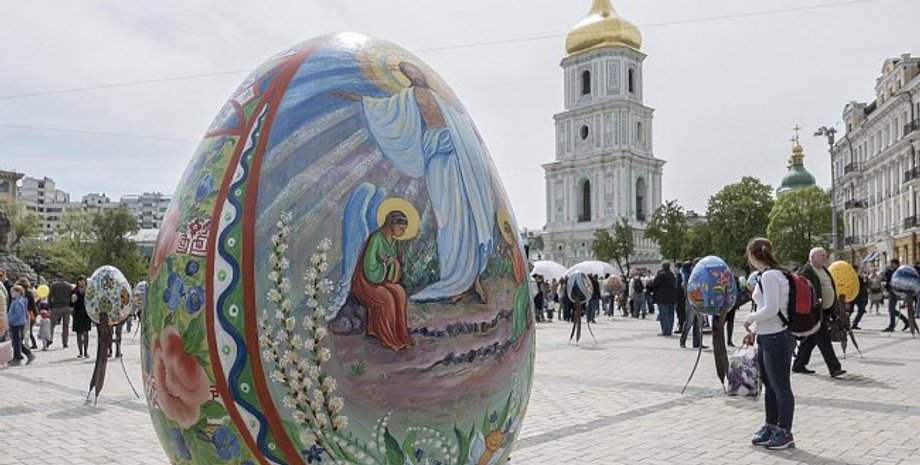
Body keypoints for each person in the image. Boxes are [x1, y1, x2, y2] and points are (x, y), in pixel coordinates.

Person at [334, 61, 495, 304]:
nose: (414, 73)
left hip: (455, 156)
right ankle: (454, 276)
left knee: (467, 217)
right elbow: (380, 106)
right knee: (447, 219)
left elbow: (465, 127)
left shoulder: (442, 100)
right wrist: (356, 98)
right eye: (408, 72)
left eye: (413, 69)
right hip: (437, 159)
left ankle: (471, 278)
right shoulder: (408, 97)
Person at [743, 238, 796, 450]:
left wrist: (750, 318)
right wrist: (755, 330)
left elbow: (772, 309)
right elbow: (772, 310)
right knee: (770, 386)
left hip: (777, 338)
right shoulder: (770, 275)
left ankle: (785, 432)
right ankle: (771, 425)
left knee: (780, 386)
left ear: (752, 255)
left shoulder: (770, 276)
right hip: (768, 335)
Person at [351, 210, 414, 352]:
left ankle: (401, 336)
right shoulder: (376, 239)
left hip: (382, 279)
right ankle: (389, 339)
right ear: (392, 224)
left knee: (400, 292)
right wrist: (384, 263)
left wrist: (393, 265)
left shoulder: (396, 243)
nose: (403, 231)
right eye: (401, 228)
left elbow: (394, 276)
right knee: (386, 298)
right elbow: (369, 269)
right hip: (366, 281)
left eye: (405, 229)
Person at [793, 248, 845, 378]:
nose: (825, 258)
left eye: (825, 256)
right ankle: (834, 368)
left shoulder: (824, 270)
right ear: (812, 257)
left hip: (826, 311)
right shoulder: (806, 271)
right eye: (821, 256)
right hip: (814, 313)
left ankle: (798, 365)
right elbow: (803, 292)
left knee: (810, 340)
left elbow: (830, 288)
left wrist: (835, 309)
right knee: (824, 339)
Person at [7, 285, 36, 366]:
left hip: (16, 324)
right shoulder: (16, 301)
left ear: (19, 293)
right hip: (17, 323)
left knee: (16, 342)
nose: (11, 293)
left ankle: (18, 358)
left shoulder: (18, 302)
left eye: (13, 292)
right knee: (17, 341)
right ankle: (28, 355)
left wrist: (9, 320)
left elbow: (18, 314)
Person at [881, 259, 910, 332]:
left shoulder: (900, 271)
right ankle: (906, 321)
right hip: (891, 291)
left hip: (895, 292)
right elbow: (887, 279)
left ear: (896, 264)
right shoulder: (892, 271)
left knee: (891, 309)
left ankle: (892, 326)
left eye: (892, 264)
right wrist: (886, 283)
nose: (890, 265)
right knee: (891, 310)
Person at [650, 262, 677, 336]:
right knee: (670, 314)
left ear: (662, 267)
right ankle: (669, 330)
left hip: (662, 298)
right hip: (672, 297)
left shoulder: (661, 274)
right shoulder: (672, 275)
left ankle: (665, 330)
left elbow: (654, 284)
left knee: (663, 314)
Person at [49, 279, 73, 348]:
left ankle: (50, 338)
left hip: (56, 307)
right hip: (66, 306)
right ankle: (65, 342)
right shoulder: (69, 285)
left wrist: (50, 306)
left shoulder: (54, 285)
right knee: (65, 326)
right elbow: (71, 297)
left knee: (52, 325)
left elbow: (50, 296)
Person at [72, 276, 91, 359]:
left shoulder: (89, 290)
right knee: (79, 333)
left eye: (83, 281)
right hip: (77, 313)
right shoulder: (74, 290)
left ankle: (86, 352)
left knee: (86, 333)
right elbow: (71, 302)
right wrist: (73, 299)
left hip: (86, 313)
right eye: (80, 281)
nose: (82, 282)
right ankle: (80, 352)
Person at [851, 265, 869, 330]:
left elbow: (864, 287)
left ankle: (854, 323)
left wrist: (866, 298)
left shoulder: (859, 278)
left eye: (856, 270)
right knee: (850, 311)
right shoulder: (850, 278)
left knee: (861, 310)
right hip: (853, 296)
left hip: (860, 297)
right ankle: (846, 324)